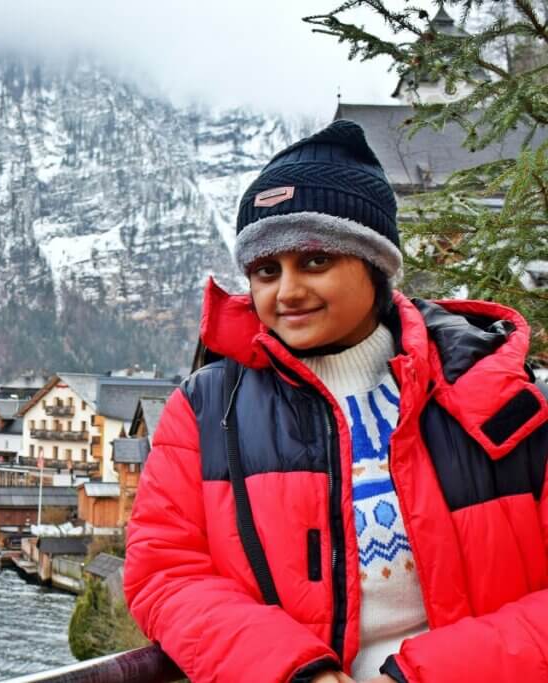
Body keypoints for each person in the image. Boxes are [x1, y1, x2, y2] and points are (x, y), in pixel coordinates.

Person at [124, 120, 548, 683]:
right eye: (266, 270)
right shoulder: (205, 409)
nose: (287, 291)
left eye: (316, 261)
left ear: (376, 266)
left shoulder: (496, 390)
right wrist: (294, 672)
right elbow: (164, 573)